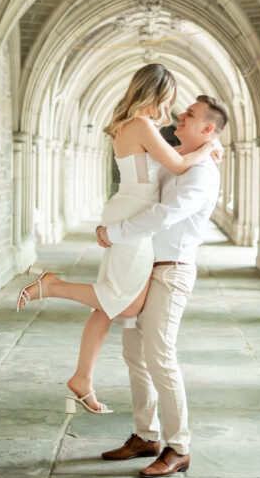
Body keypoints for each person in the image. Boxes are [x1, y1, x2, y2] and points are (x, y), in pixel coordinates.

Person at [16, 64, 220, 415]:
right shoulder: (140, 125)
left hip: (126, 208)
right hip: (134, 217)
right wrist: (209, 147)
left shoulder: (127, 125)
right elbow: (178, 165)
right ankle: (52, 286)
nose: (170, 110)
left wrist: (195, 152)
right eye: (169, 100)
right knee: (124, 305)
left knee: (107, 305)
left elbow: (168, 163)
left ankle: (82, 379)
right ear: (156, 93)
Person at [96, 95, 228, 478]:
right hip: (145, 267)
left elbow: (163, 214)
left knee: (160, 356)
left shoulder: (202, 174)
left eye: (189, 115)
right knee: (133, 351)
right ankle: (146, 435)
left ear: (207, 129)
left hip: (171, 271)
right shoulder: (179, 161)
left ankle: (179, 446)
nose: (179, 116)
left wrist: (115, 232)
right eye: (183, 111)